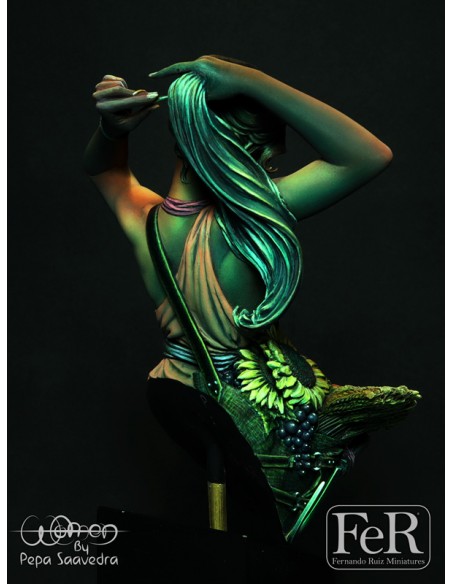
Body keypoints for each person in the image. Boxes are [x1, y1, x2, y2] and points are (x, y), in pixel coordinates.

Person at [83, 56, 420, 542]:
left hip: (175, 392)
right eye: (264, 155)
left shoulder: (145, 219)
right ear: (232, 149)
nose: (268, 169)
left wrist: (111, 130)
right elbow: (368, 154)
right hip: (245, 409)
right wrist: (250, 80)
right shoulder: (251, 220)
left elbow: (103, 169)